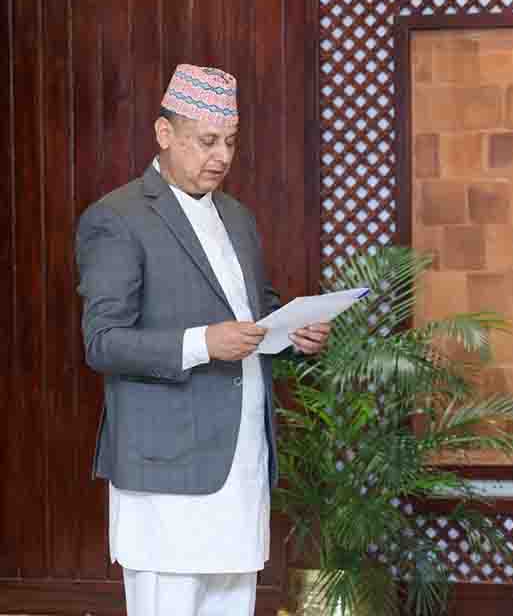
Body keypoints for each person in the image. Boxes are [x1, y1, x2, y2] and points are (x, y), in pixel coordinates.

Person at [75, 64, 330, 615]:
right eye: (207, 141)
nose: (221, 156)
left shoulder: (237, 217)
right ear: (164, 133)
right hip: (165, 468)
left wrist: (292, 333)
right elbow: (103, 341)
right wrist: (202, 343)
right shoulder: (117, 217)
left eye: (231, 142)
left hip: (241, 461)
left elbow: (255, 315)